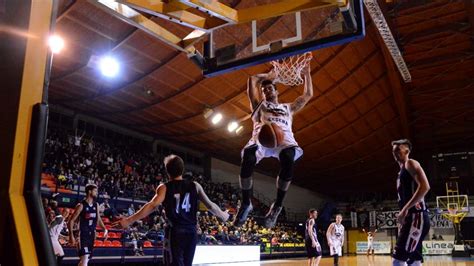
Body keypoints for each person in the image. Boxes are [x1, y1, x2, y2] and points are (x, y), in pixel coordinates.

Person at [235, 54, 314, 228]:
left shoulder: (288, 108)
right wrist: (267, 77)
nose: (267, 91)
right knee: (248, 156)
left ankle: (277, 206)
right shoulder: (259, 105)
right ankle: (246, 203)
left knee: (289, 157)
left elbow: (307, 94)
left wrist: (307, 74)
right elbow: (252, 79)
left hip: (284, 140)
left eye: (270, 89)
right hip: (262, 139)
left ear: (277, 91)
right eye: (264, 91)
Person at [113, 155, 229, 266]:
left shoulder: (164, 187)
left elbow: (152, 205)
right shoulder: (195, 185)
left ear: (167, 171)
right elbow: (211, 206)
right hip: (191, 231)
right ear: (182, 169)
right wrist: (224, 216)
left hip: (175, 231)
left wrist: (129, 220)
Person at [391, 139, 430, 266]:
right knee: (414, 260)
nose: (394, 152)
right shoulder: (400, 171)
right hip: (412, 218)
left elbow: (425, 186)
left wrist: (405, 210)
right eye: (393, 150)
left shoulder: (410, 163)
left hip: (416, 216)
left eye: (398, 149)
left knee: (398, 260)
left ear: (407, 151)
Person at [68, 184, 108, 266]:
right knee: (85, 258)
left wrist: (105, 229)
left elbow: (98, 220)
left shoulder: (96, 205)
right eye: (95, 191)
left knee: (85, 260)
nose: (97, 193)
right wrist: (71, 235)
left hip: (91, 235)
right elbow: (71, 221)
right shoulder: (81, 205)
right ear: (89, 191)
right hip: (82, 235)